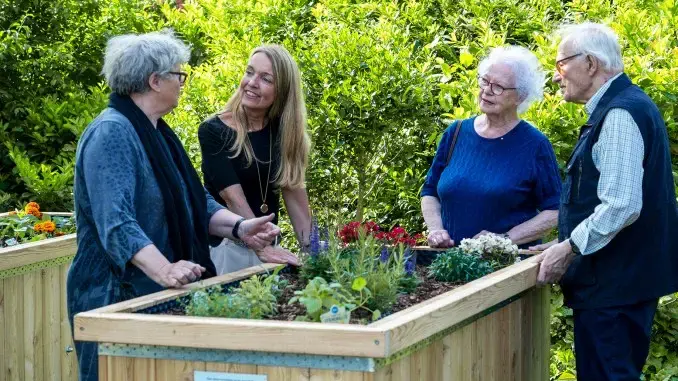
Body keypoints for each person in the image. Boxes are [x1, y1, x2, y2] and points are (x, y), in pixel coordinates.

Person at [67, 31, 288, 381]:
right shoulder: (112, 133)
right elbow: (117, 223)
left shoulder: (156, 132)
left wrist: (240, 229)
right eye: (178, 75)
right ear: (155, 81)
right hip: (113, 297)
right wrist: (164, 270)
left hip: (157, 294)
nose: (183, 82)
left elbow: (194, 201)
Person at [533, 22, 678, 380]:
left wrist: (568, 248)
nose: (557, 77)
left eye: (561, 64)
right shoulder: (627, 105)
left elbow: (622, 205)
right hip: (619, 285)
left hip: (613, 289)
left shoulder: (619, 114)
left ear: (591, 65)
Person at [421, 46, 561, 249]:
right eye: (485, 81)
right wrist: (436, 230)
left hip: (504, 268)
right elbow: (430, 191)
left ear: (520, 97)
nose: (487, 90)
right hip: (449, 265)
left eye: (498, 87)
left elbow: (555, 211)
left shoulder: (534, 144)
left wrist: (503, 240)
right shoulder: (456, 132)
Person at [198, 44, 309, 274]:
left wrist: (314, 254)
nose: (252, 83)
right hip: (227, 248)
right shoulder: (214, 130)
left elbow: (296, 200)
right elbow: (233, 199)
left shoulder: (285, 133)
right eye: (249, 72)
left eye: (266, 79)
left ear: (283, 91)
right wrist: (263, 247)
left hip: (269, 248)